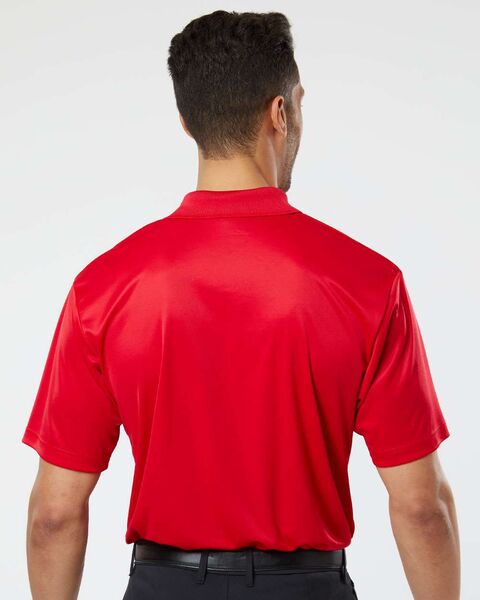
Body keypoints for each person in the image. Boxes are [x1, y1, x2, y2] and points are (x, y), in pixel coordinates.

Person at [21, 9, 460, 600]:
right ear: (281, 112)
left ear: (187, 121)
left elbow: (53, 514)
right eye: (299, 104)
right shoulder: (368, 282)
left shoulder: (103, 287)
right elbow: (422, 507)